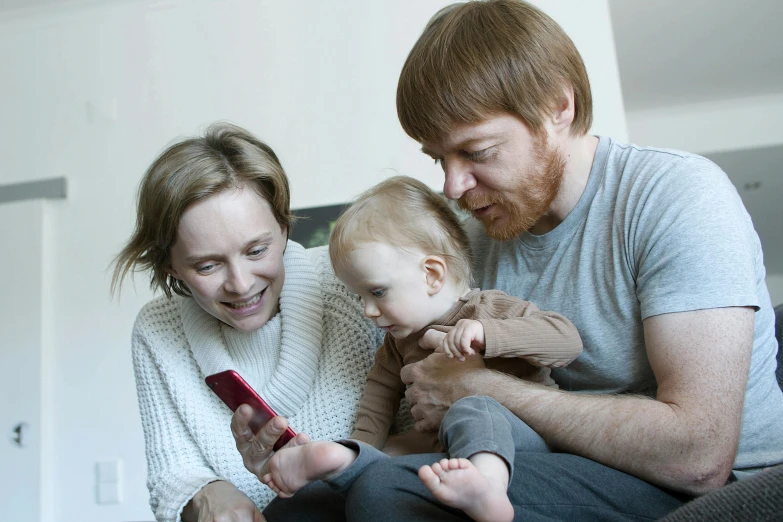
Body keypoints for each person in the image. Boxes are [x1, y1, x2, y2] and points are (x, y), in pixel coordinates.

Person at [241, 1, 783, 520]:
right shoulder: (475, 239)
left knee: (394, 495)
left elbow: (699, 454)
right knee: (306, 506)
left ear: (557, 107)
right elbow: (427, 393)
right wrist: (318, 454)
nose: (453, 185)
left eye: (476, 153)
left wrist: (481, 387)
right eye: (438, 158)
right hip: (553, 464)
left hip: (713, 491)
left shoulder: (675, 197)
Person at [258, 176, 583, 522]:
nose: (368, 310)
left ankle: (488, 486)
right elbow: (377, 401)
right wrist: (365, 444)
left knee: (474, 409)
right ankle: (342, 462)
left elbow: (567, 340)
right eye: (360, 297)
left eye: (378, 292)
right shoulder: (397, 345)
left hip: (527, 446)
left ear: (431, 275)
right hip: (444, 452)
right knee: (388, 452)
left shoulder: (487, 310)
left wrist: (489, 335)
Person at [111, 122, 389, 522]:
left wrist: (332, 467)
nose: (241, 285)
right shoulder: (158, 330)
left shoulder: (349, 284)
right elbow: (173, 474)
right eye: (207, 265)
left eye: (257, 251)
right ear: (169, 266)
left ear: (284, 227)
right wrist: (207, 495)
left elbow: (426, 436)